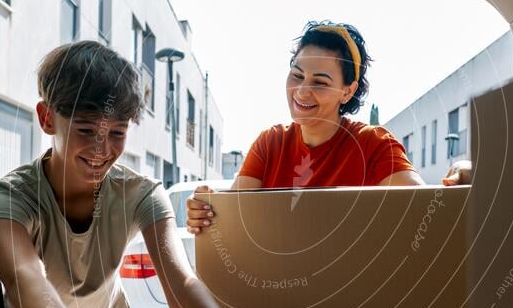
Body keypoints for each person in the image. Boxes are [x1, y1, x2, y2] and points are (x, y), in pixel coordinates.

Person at [0, 41, 273, 308]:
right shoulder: (8, 196)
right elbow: (23, 276)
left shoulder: (141, 193)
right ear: (47, 118)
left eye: (117, 133)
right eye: (86, 130)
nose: (102, 151)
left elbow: (180, 282)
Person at [186, 21, 470, 234]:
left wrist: (465, 178)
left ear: (347, 91)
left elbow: (423, 208)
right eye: (297, 75)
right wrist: (205, 210)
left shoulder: (374, 144)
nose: (302, 91)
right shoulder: (269, 143)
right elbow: (235, 216)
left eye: (320, 82)